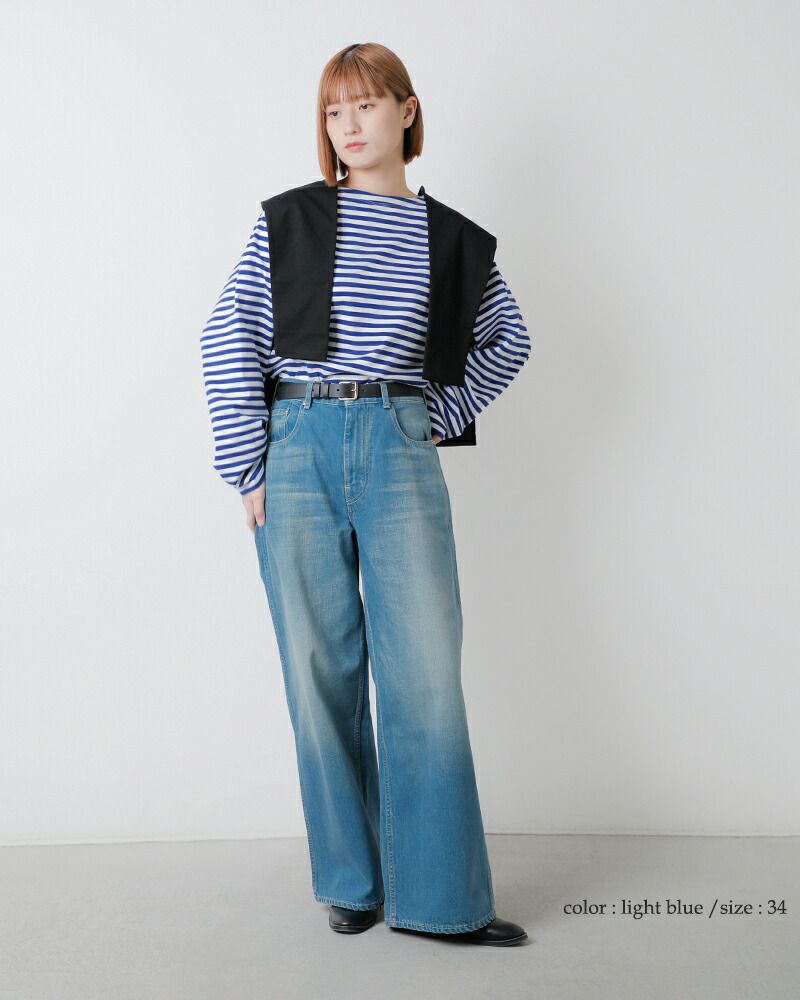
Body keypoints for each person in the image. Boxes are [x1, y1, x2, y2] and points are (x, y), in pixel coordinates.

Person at [200, 42, 532, 946]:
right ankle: (351, 881)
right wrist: (248, 465)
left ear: (407, 111)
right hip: (297, 445)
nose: (348, 125)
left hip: (398, 445)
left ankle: (441, 900)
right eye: (333, 110)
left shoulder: (452, 239)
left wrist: (431, 415)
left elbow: (508, 338)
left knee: (423, 673)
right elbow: (228, 334)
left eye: (366, 105)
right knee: (319, 669)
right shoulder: (291, 221)